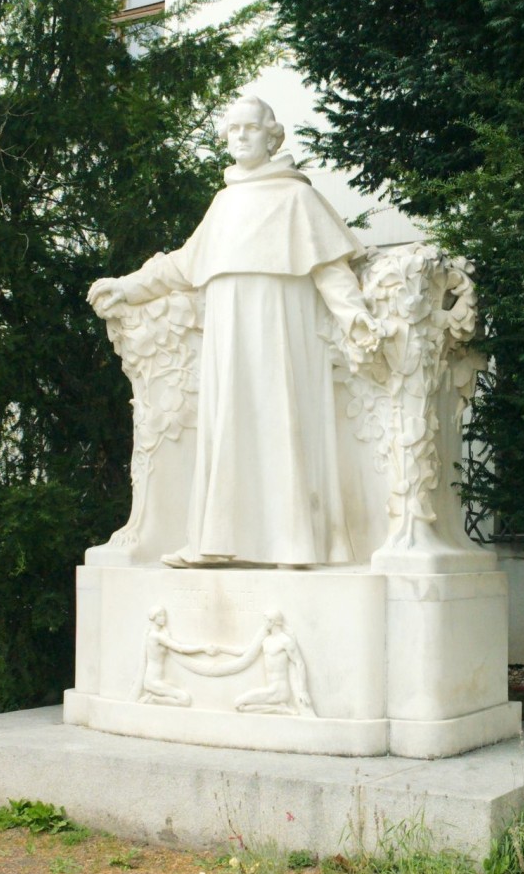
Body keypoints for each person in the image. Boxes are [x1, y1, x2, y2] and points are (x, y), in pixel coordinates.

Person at [88, 96, 380, 568]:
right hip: (228, 329)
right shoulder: (225, 203)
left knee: (279, 420)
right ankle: (213, 541)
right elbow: (185, 264)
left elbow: (330, 267)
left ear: (273, 136)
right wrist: (128, 286)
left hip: (279, 324)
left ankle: (293, 545)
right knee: (226, 427)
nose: (241, 137)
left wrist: (354, 315)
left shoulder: (296, 197)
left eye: (251, 129)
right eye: (233, 130)